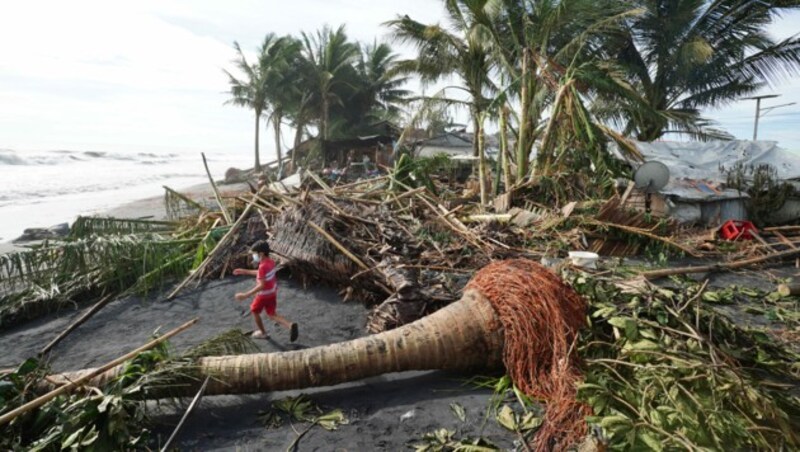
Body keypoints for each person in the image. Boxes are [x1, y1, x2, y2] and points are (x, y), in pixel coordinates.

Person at [233, 240, 299, 341]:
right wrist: (244, 271)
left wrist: (245, 295)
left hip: (263, 295)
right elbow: (261, 274)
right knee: (272, 314)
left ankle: (263, 333)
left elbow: (261, 285)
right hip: (272, 293)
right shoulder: (270, 262)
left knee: (254, 311)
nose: (253, 256)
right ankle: (290, 325)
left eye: (255, 254)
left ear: (261, 253)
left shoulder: (262, 266)